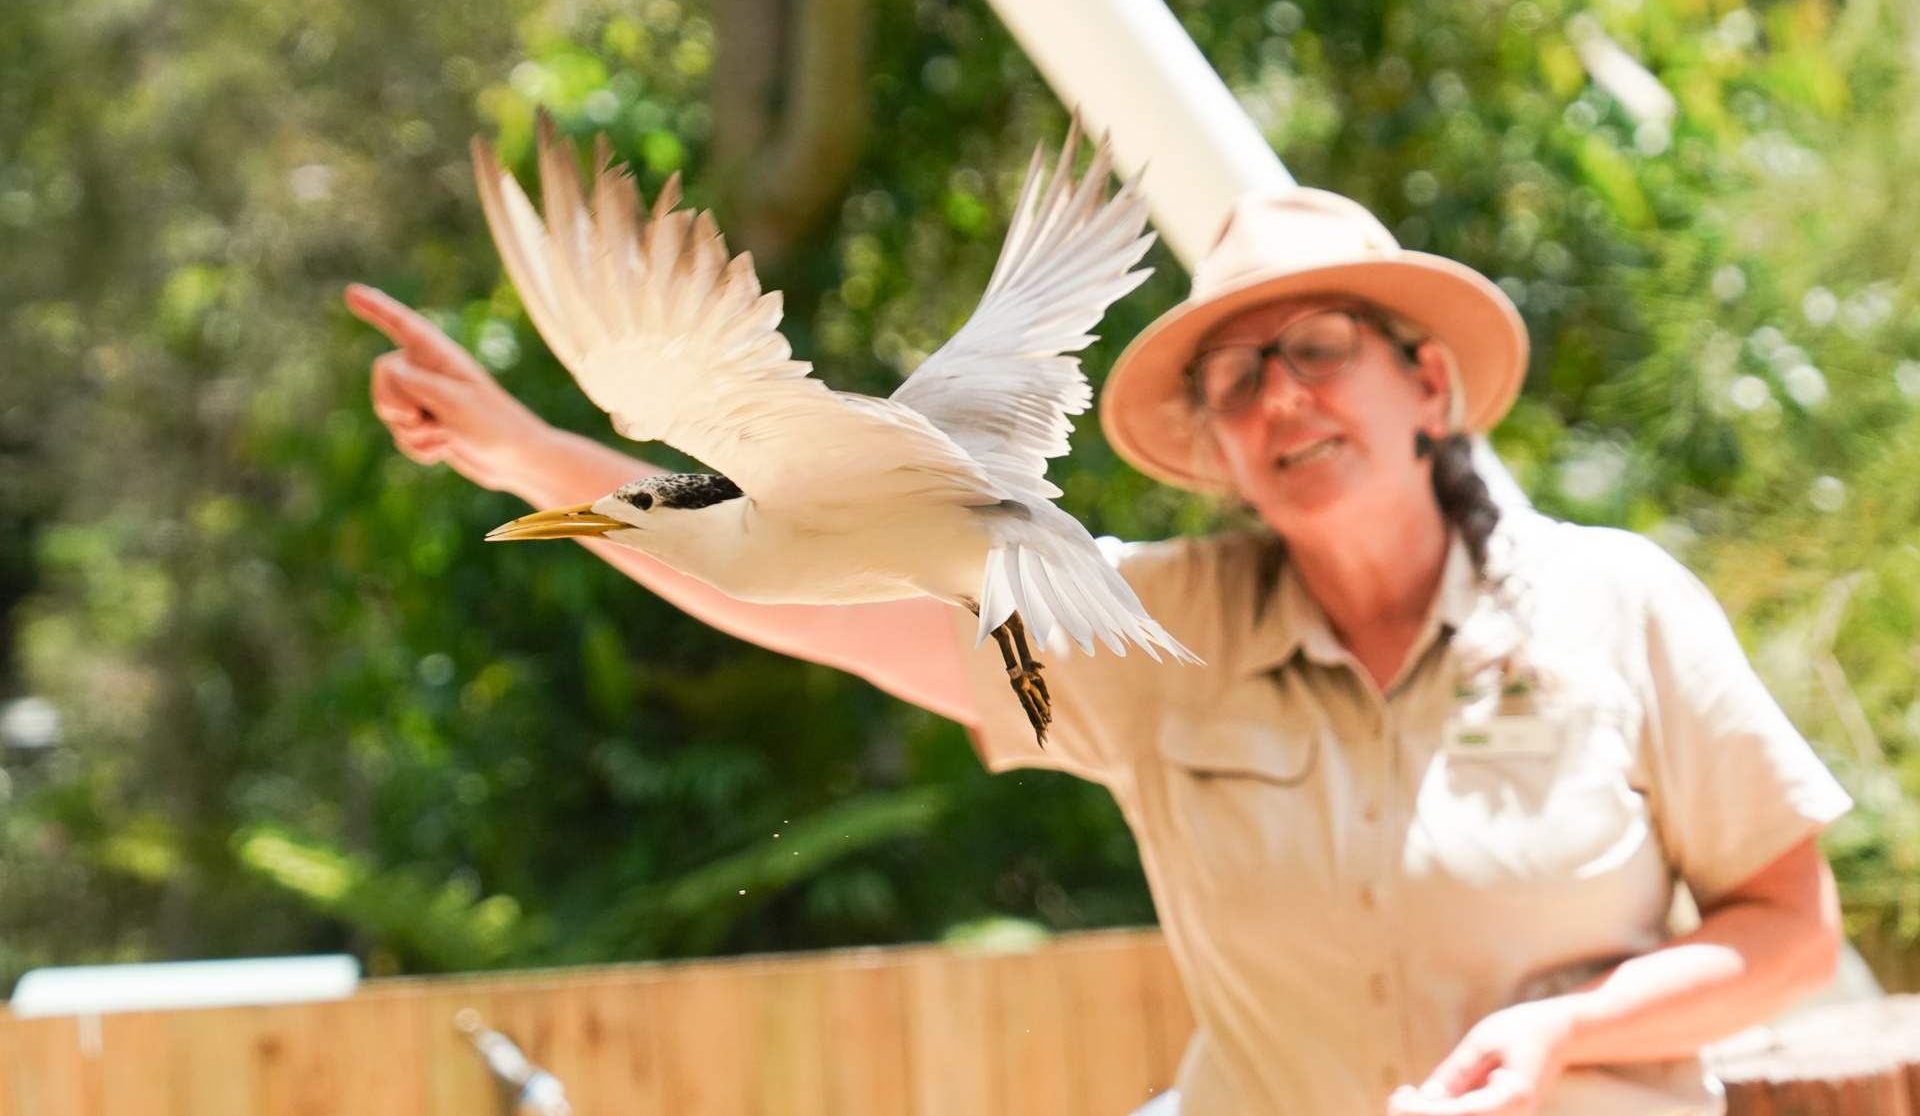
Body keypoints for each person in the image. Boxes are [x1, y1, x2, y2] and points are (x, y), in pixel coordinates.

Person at [348, 185, 1850, 1116]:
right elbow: (825, 595)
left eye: (1318, 349)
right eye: (1236, 375)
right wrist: (535, 462)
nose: (1279, 400)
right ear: (1213, 440)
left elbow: (1791, 923)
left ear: (1431, 382)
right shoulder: (1151, 627)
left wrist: (1561, 1032)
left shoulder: (1622, 604)